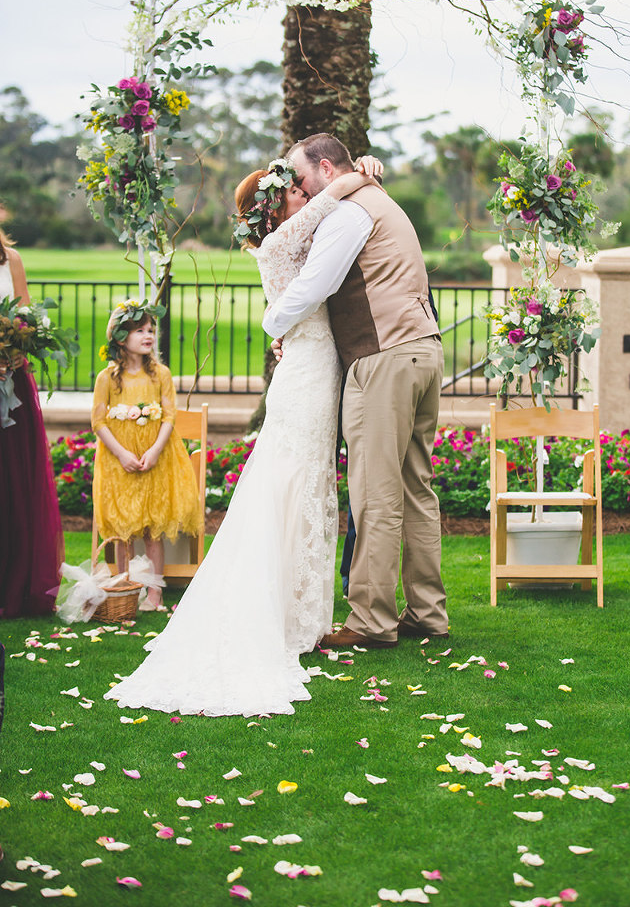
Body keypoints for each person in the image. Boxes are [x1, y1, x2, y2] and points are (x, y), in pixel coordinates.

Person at [106, 157, 380, 717]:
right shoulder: (279, 242)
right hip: (304, 380)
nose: (305, 194)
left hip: (312, 369)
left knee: (307, 488)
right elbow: (333, 199)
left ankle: (301, 616)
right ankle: (284, 617)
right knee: (292, 489)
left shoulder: (288, 241)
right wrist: (363, 173)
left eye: (302, 187)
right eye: (294, 191)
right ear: (273, 207)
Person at [264, 133, 449, 649]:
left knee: (375, 494)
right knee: (415, 488)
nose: (299, 189)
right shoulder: (377, 198)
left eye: (301, 178)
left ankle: (371, 620)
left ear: (326, 168)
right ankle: (427, 613)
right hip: (422, 349)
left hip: (384, 355)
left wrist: (273, 323)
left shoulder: (348, 213)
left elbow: (315, 285)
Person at [91, 301, 202, 611]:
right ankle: (125, 590)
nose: (148, 335)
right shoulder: (107, 378)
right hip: (119, 459)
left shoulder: (160, 375)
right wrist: (122, 453)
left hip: (155, 457)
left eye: (151, 329)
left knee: (153, 528)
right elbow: (98, 422)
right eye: (139, 330)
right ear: (120, 337)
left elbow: (169, 416)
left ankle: (155, 594)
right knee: (124, 527)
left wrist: (154, 451)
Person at [0, 217, 64, 618]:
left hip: (12, 382)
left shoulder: (11, 259)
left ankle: (15, 582)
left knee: (14, 479)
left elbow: (24, 315)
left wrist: (15, 350)